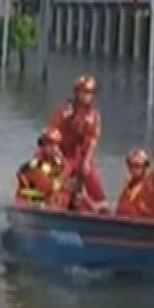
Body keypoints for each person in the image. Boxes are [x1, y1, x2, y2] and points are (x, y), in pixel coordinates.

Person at [45, 75, 106, 210]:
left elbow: (92, 140)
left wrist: (86, 161)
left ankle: (101, 209)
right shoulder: (64, 111)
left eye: (90, 93)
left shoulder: (94, 116)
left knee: (93, 176)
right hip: (62, 153)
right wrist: (57, 156)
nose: (86, 96)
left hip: (80, 156)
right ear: (77, 92)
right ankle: (53, 204)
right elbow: (52, 133)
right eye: (83, 92)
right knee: (61, 177)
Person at [15, 129, 70, 209]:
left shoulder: (59, 160)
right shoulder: (37, 160)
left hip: (50, 193)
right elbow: (21, 173)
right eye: (50, 144)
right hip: (33, 195)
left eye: (56, 144)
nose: (54, 147)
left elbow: (61, 177)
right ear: (43, 145)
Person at [113, 148, 154, 218]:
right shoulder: (127, 187)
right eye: (130, 165)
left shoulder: (150, 187)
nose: (133, 169)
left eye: (137, 165)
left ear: (145, 167)